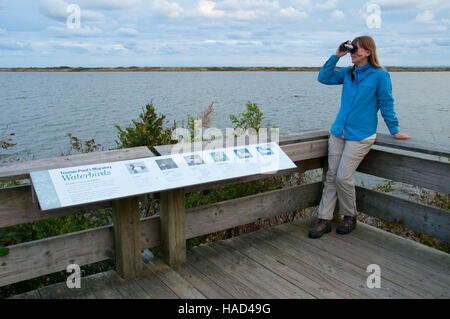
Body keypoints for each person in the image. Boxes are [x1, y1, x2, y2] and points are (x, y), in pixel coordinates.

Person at [308, 36, 410, 239]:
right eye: (351, 49)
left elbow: (386, 102)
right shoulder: (348, 73)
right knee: (331, 177)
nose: (352, 52)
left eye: (356, 49)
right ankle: (324, 219)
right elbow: (324, 78)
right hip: (339, 132)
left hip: (361, 135)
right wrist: (337, 55)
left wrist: (394, 129)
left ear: (369, 52)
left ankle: (349, 216)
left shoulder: (380, 75)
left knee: (343, 178)